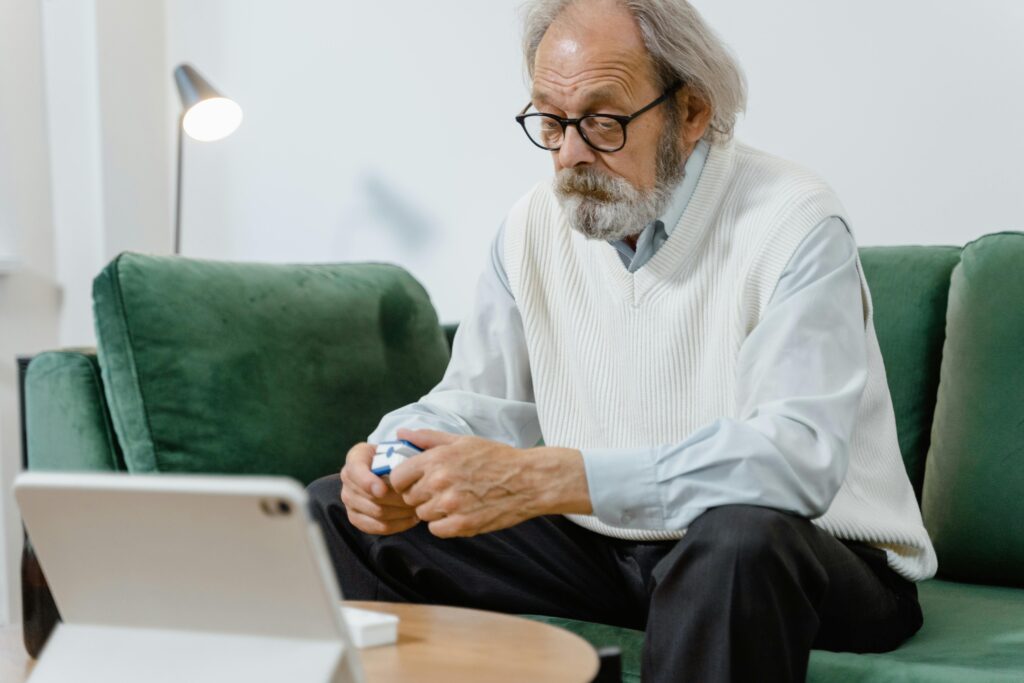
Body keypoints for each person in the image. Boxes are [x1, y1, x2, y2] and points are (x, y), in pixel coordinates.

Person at [307, 1, 936, 680]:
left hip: (813, 557)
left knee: (739, 536)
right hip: (609, 549)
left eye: (603, 122)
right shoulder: (530, 228)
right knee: (330, 512)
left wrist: (560, 478)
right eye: (550, 121)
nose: (571, 153)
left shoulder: (795, 221)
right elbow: (479, 401)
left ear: (691, 112)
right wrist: (390, 454)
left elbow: (793, 460)